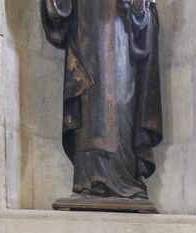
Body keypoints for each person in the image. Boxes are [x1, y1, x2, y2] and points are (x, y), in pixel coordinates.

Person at [41, 0, 163, 204]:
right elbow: (59, 11)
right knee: (91, 112)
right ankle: (90, 181)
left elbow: (146, 15)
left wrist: (139, 8)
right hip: (87, 41)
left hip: (122, 42)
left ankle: (125, 179)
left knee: (122, 107)